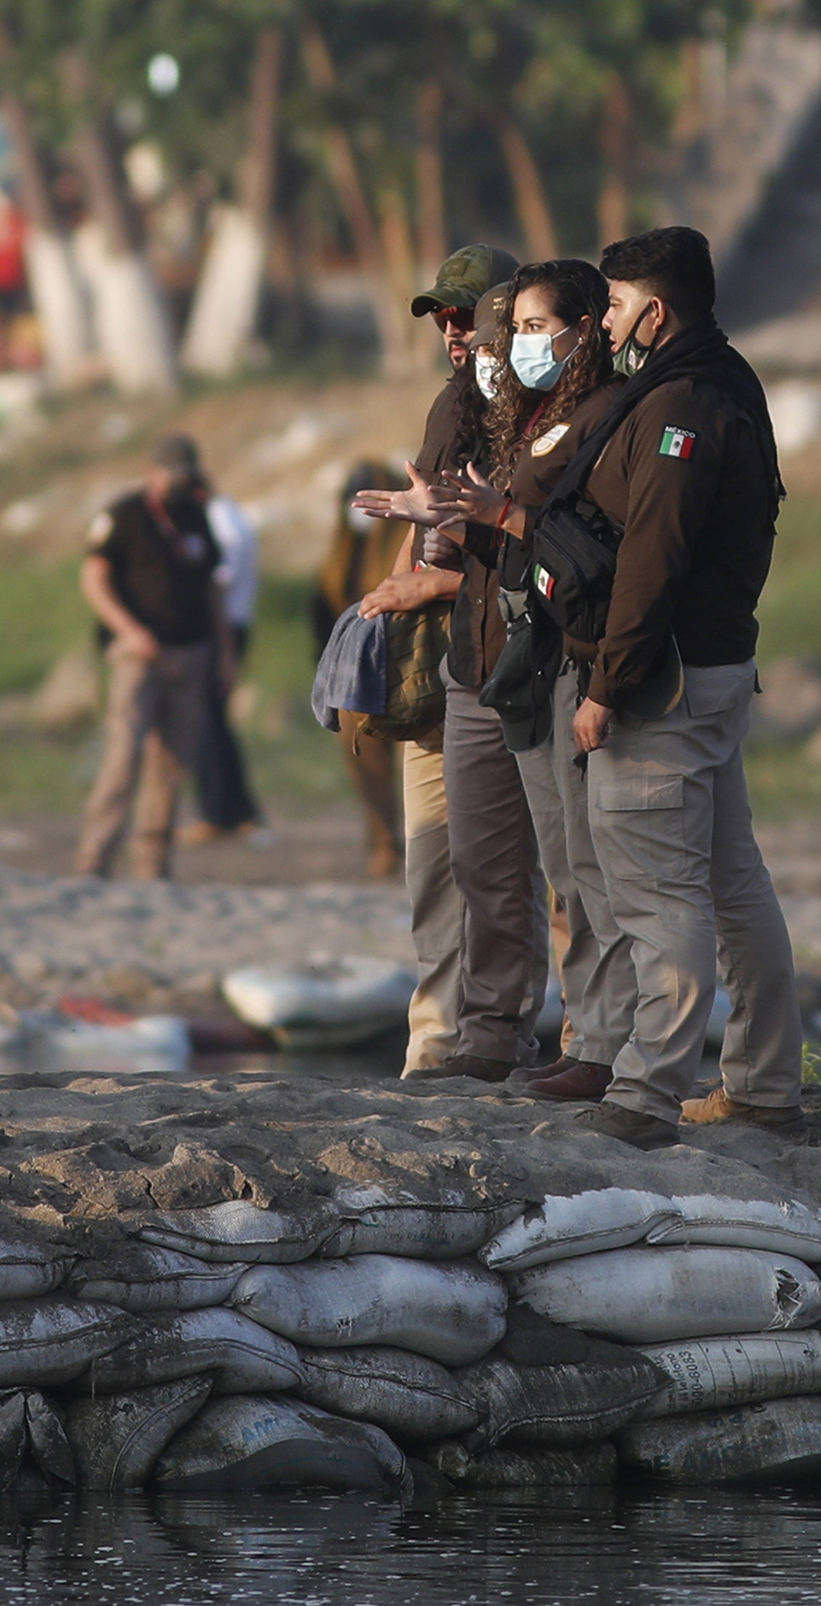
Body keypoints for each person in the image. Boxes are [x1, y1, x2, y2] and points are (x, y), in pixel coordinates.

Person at [559, 226, 804, 1148]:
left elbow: (651, 562)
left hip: (663, 684)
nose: (605, 322)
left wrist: (605, 687)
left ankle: (646, 1093)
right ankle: (765, 1083)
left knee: (661, 893)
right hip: (716, 672)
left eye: (615, 306)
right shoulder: (730, 381)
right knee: (734, 887)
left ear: (654, 312)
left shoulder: (683, 408)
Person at [440, 259, 638, 1104]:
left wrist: (502, 515)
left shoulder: (606, 414)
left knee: (589, 869)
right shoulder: (539, 414)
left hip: (575, 659)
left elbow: (593, 546)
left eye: (529, 328)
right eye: (510, 330)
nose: (515, 347)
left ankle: (605, 1045)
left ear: (584, 328)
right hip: (525, 660)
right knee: (561, 859)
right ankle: (586, 1040)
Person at [355, 245, 537, 1086]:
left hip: (513, 663)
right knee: (437, 864)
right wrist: (389, 627)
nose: (456, 332)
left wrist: (431, 580)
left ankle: (553, 1040)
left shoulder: (538, 414)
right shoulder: (451, 407)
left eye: (471, 315)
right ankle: (435, 1044)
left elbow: (540, 555)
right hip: (439, 672)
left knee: (526, 872)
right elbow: (421, 525)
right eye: (445, 318)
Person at [73, 434, 231, 880]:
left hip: (192, 651)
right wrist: (129, 630)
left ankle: (152, 865)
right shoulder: (122, 516)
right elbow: (93, 580)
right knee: (123, 757)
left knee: (172, 766)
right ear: (152, 470)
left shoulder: (196, 515)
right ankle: (94, 858)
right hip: (139, 656)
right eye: (172, 472)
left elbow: (211, 587)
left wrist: (225, 652)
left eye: (186, 473)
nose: (179, 481)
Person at [315, 463, 410, 880]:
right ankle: (383, 842)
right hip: (353, 678)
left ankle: (416, 845)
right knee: (365, 766)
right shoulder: (342, 555)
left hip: (404, 673)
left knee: (414, 770)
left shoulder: (401, 549)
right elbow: (321, 613)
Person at [183, 472, 263, 845]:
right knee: (213, 721)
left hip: (222, 628)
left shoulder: (218, 522)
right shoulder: (232, 516)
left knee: (206, 723)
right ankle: (236, 809)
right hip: (232, 625)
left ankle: (221, 811)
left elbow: (219, 579)